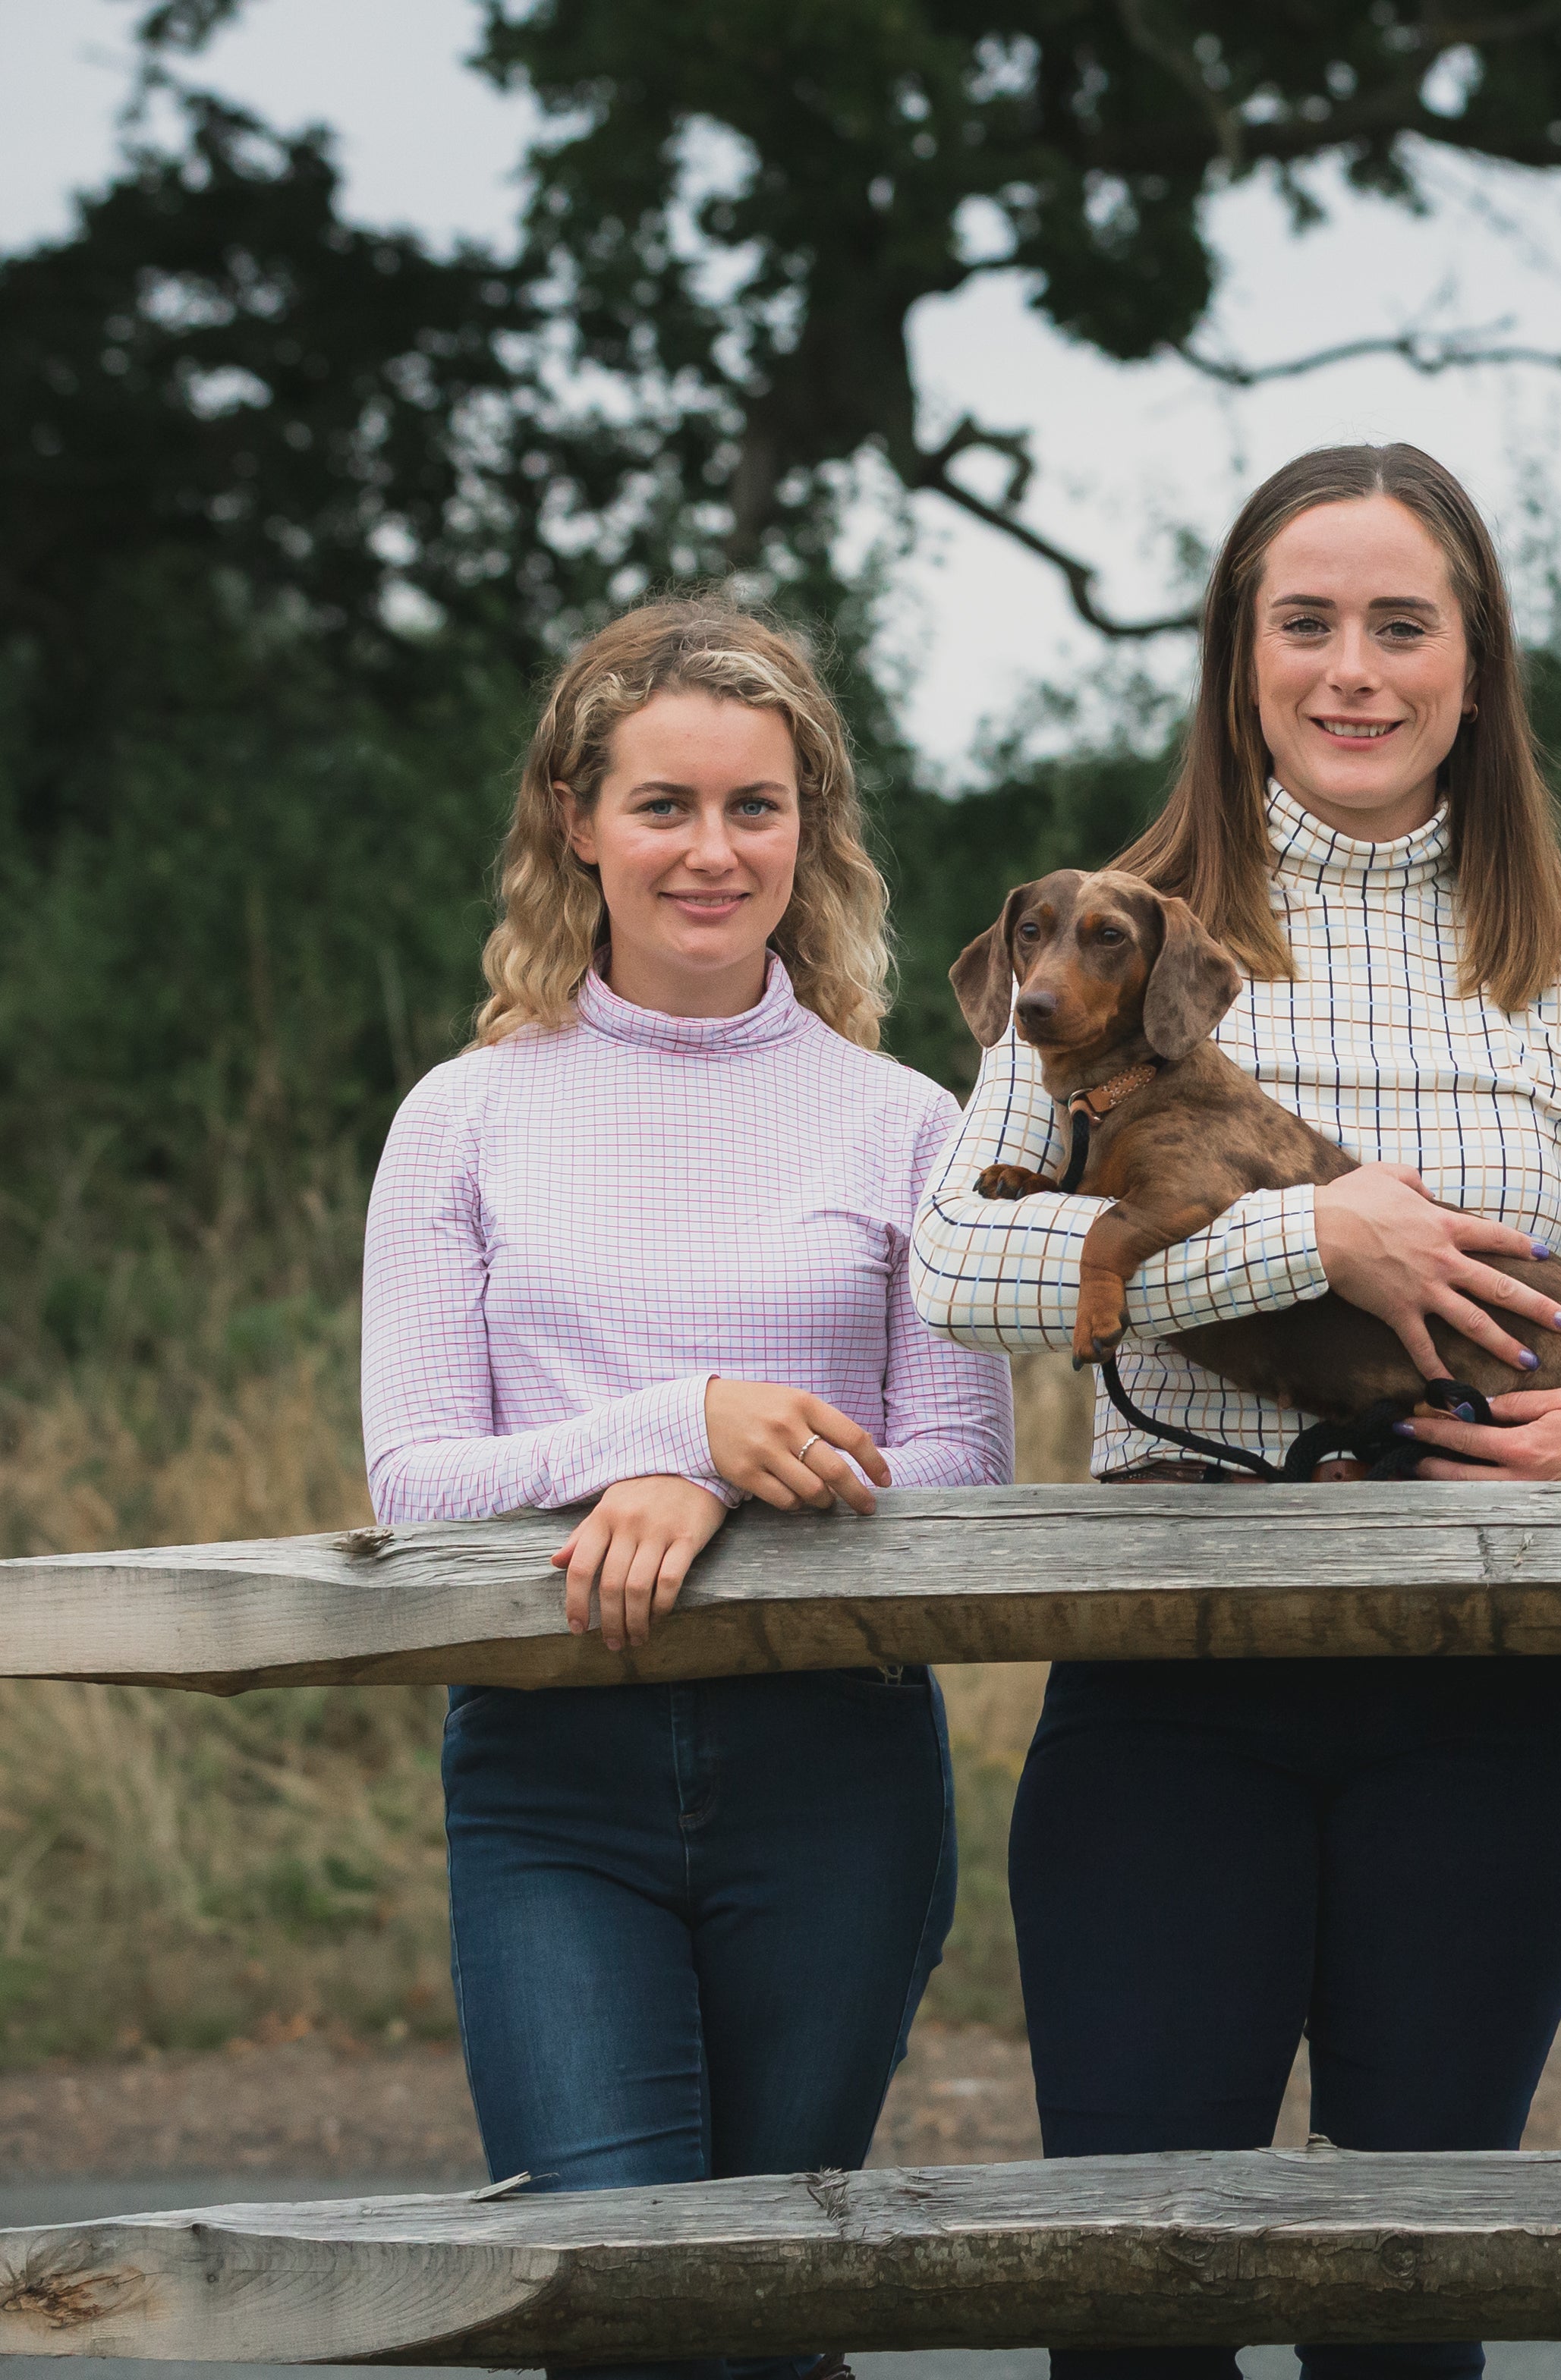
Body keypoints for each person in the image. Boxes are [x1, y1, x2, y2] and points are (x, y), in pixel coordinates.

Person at [912, 443, 1561, 2380]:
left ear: (1475, 665)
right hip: (1170, 1677)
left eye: (1404, 625)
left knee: (1402, 2319)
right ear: (1238, 659)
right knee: (1132, 2311)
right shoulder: (1100, 948)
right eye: (1302, 623)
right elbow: (963, 1276)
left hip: (1487, 1700)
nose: (1352, 670)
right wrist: (1323, 1235)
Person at [362, 596, 1013, 2380]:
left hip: (837, 1775)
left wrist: (723, 1482)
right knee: (611, 2307)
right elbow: (418, 1487)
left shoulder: (907, 1126)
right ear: (575, 820)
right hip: (551, 1774)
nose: (711, 852)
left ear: (811, 830)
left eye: (755, 807)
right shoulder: (466, 1118)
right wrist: (672, 1427)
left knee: (772, 2305)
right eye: (665, 806)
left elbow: (957, 1468)